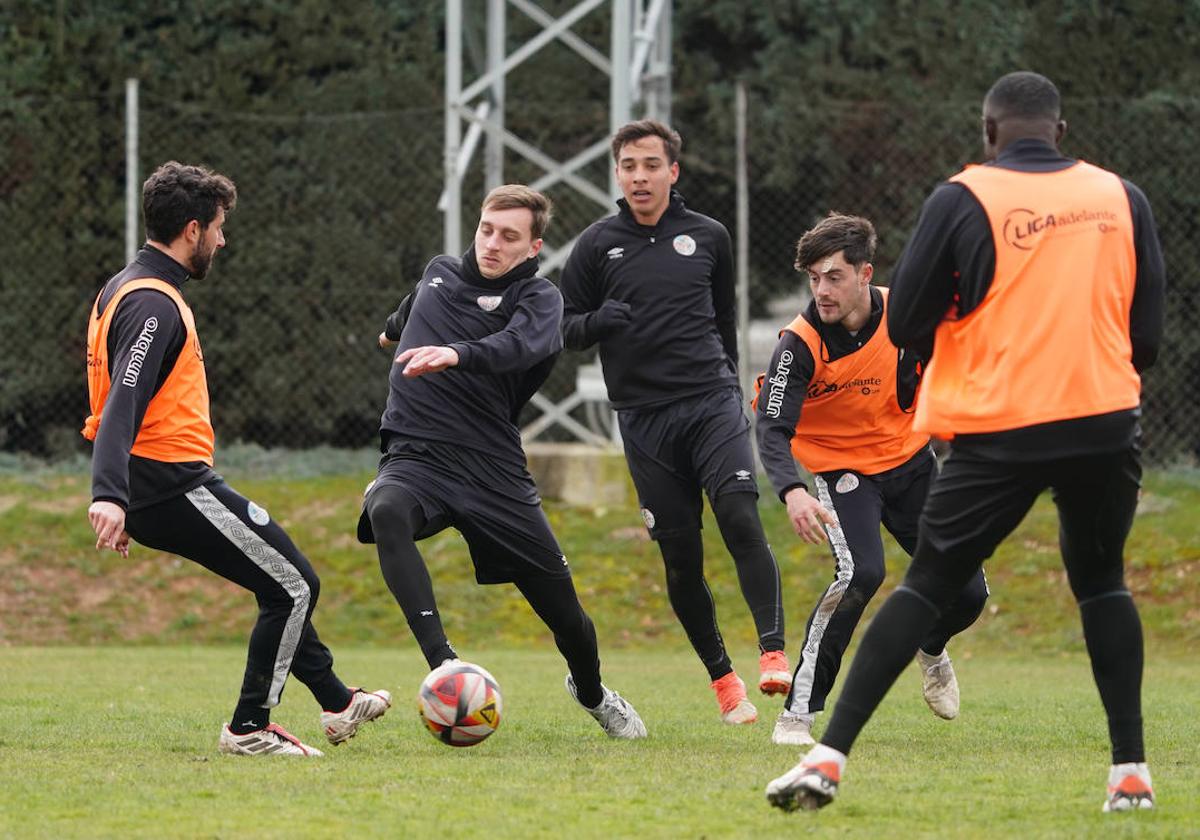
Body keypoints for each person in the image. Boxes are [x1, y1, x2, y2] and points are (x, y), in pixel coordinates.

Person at [766, 71, 1164, 813]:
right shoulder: (1122, 197)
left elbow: (910, 322)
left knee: (926, 586)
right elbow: (1147, 340)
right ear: (1062, 133)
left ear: (987, 134)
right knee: (1104, 585)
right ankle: (1130, 773)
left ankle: (824, 761)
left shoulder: (962, 197)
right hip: (1105, 421)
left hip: (1002, 424)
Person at [84, 161, 390, 757]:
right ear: (192, 230)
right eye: (219, 228)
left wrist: (119, 492)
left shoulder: (121, 288)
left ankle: (336, 701)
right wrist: (111, 495)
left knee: (276, 579)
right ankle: (250, 729)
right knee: (295, 584)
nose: (223, 240)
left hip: (153, 483)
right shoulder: (155, 306)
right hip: (169, 482)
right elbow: (123, 398)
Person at [360, 184, 646, 740]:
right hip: (417, 455)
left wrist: (455, 354)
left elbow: (519, 346)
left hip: (493, 471)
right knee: (386, 510)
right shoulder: (438, 273)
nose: (492, 243)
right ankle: (444, 666)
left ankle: (592, 692)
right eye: (487, 229)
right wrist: (393, 331)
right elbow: (410, 310)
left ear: (533, 247)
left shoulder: (540, 300)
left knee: (568, 618)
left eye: (509, 236)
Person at [559, 119, 788, 725]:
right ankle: (723, 680)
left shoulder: (708, 236)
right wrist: (600, 320)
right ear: (618, 173)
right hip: (644, 421)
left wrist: (733, 387)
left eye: (650, 165)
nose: (639, 176)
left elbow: (723, 318)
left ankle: (772, 652)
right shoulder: (594, 245)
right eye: (629, 165)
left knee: (740, 512)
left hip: (711, 402)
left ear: (672, 172)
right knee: (682, 558)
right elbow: (564, 327)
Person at [754, 213, 988, 747]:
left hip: (911, 462)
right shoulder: (800, 341)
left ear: (865, 273)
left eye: (833, 276)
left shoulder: (908, 311)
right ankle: (798, 715)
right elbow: (771, 426)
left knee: (969, 589)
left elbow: (955, 369)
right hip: (843, 471)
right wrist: (792, 491)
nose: (821, 290)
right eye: (813, 278)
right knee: (861, 573)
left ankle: (931, 645)